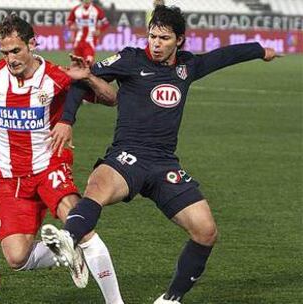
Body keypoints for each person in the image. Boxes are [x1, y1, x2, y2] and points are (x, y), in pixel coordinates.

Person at [41, 5, 280, 304]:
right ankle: (69, 238)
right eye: (152, 36)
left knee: (206, 231)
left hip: (164, 163)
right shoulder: (130, 59)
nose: (155, 43)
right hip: (127, 155)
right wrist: (67, 120)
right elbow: (80, 79)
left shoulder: (187, 67)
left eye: (163, 38)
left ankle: (171, 299)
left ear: (179, 40)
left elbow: (221, 57)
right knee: (97, 188)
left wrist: (260, 50)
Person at [0, 14, 124, 304]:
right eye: (5, 53)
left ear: (32, 44)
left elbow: (112, 99)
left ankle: (114, 301)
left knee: (79, 224)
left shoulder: (57, 77)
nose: (10, 59)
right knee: (17, 258)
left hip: (49, 168)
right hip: (9, 178)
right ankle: (68, 252)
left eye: (16, 51)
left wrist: (89, 78)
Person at [67, 0, 109, 65]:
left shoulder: (96, 10)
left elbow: (106, 23)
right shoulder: (76, 9)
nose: (87, 1)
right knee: (76, 63)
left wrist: (99, 30)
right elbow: (69, 21)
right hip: (78, 41)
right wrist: (72, 26)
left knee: (88, 62)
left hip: (90, 41)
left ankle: (92, 73)